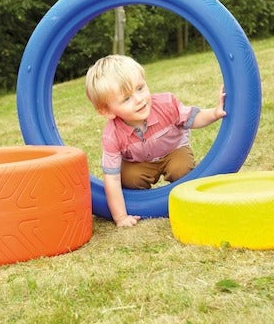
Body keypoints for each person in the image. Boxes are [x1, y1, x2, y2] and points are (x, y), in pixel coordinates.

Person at [85, 54, 226, 227]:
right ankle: (140, 201)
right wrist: (120, 217)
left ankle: (188, 199)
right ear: (107, 111)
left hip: (173, 151)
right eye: (127, 98)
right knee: (129, 178)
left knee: (181, 168)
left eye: (140, 88)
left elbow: (193, 118)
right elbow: (112, 178)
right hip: (139, 162)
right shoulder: (111, 134)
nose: (139, 99)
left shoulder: (166, 104)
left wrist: (214, 113)